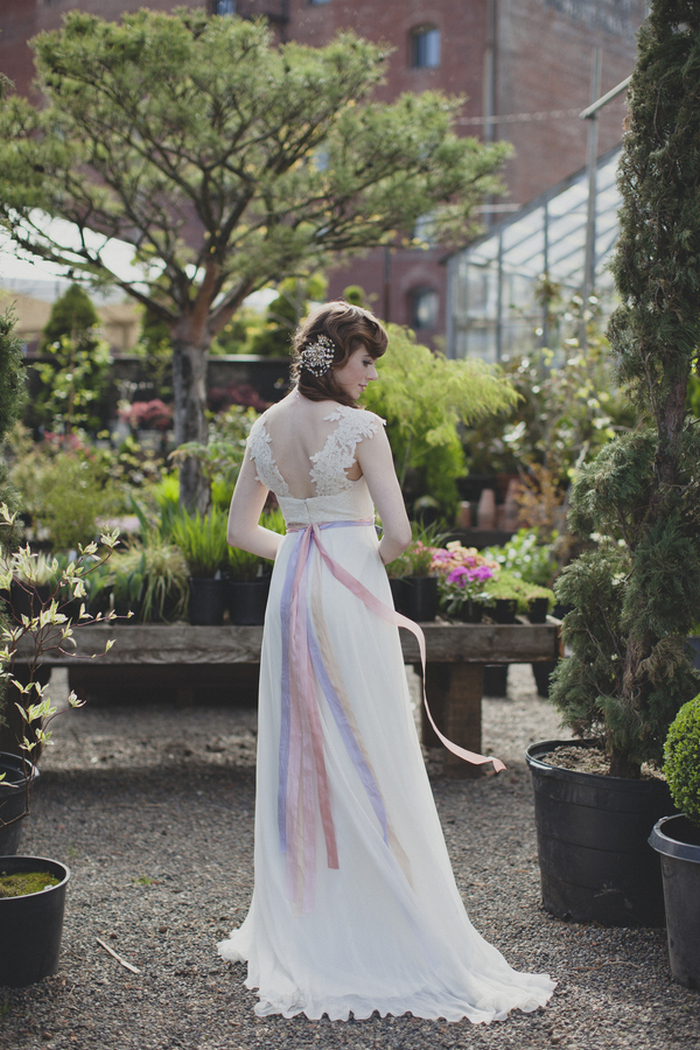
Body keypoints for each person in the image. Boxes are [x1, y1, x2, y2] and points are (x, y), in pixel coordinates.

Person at [217, 301, 555, 1021]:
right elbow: (398, 533)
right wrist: (356, 563)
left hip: (293, 593)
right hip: (347, 590)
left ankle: (309, 907)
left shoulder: (264, 427)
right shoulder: (362, 430)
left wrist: (304, 553)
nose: (372, 375)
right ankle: (381, 905)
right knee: (372, 739)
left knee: (303, 744)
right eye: (365, 360)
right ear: (335, 358)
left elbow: (241, 531)